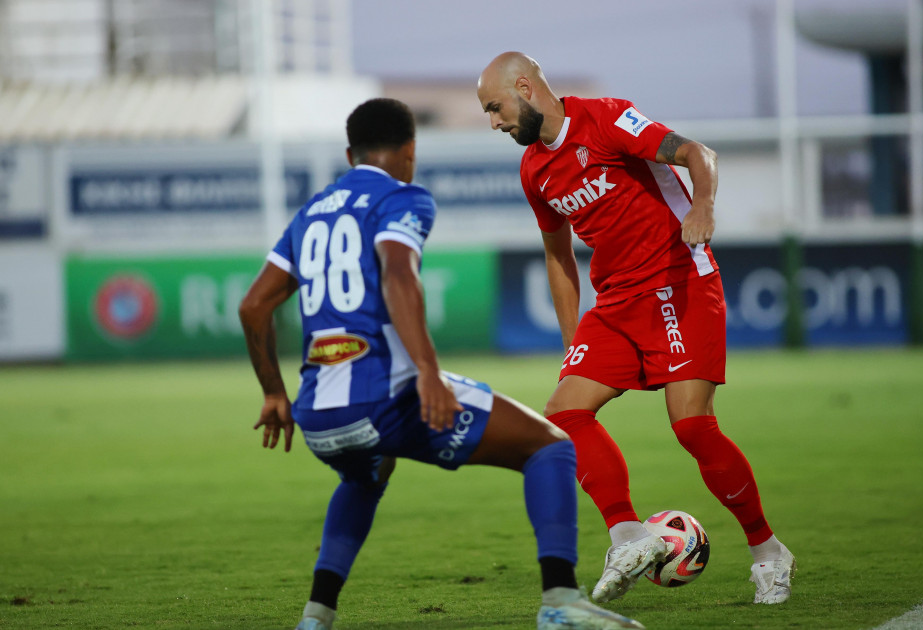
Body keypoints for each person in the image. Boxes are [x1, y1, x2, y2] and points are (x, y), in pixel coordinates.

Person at [239, 97, 646, 630]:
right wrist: (428, 373)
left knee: (366, 476)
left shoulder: (312, 211)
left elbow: (254, 306)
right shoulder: (404, 197)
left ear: (349, 153)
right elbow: (399, 275)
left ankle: (315, 617)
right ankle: (561, 601)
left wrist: (273, 393)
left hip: (318, 416)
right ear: (410, 149)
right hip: (385, 400)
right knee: (550, 447)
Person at [476, 52, 794, 606]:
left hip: (677, 281)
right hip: (617, 299)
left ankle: (768, 552)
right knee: (563, 415)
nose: (495, 121)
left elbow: (699, 154)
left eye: (495, 107)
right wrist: (573, 337)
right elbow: (558, 258)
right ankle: (629, 536)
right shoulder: (534, 169)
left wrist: (703, 207)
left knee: (692, 427)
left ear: (525, 87)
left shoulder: (608, 119)